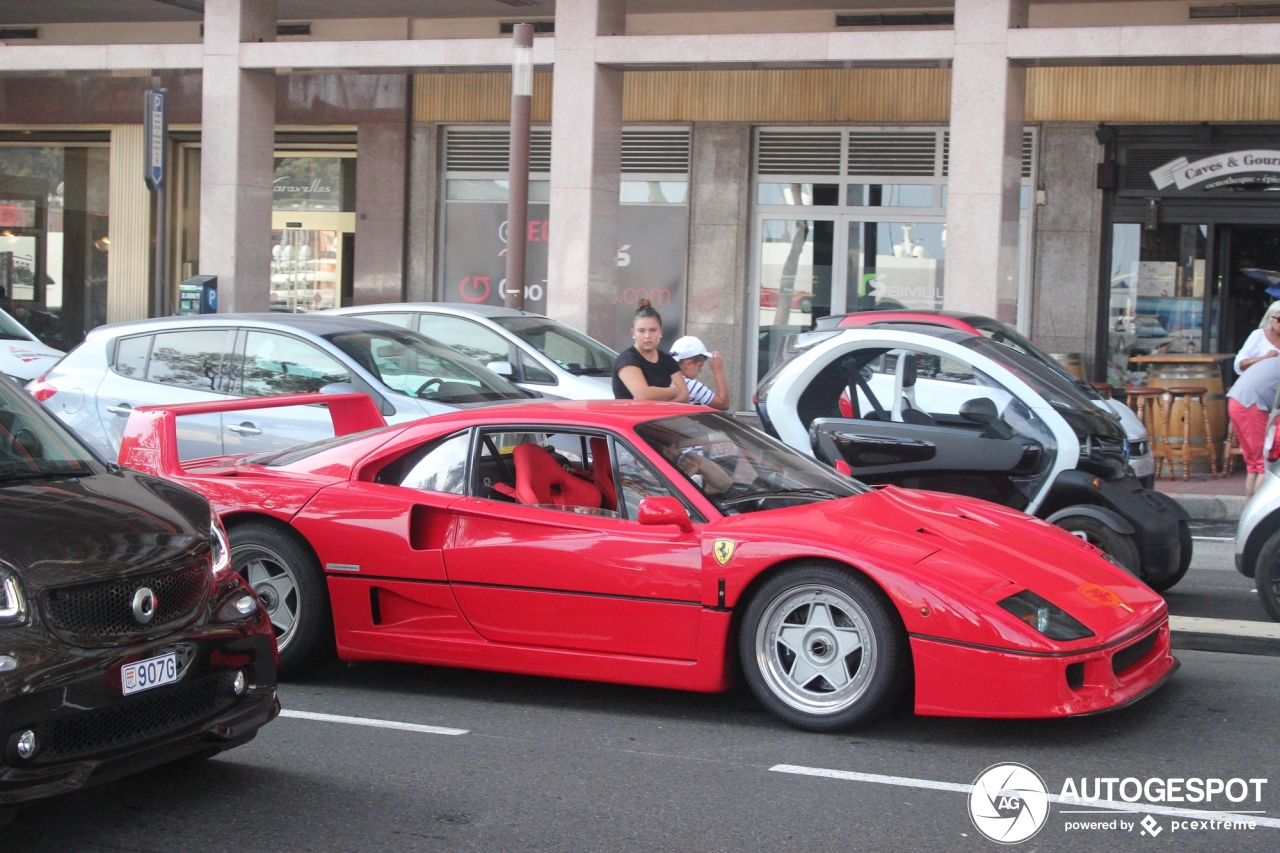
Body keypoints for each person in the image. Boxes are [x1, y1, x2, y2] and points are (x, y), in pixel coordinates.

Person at [612, 299, 690, 402]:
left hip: (667, 418)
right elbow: (644, 395)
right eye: (641, 331)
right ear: (633, 332)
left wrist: (658, 403)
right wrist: (673, 391)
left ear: (661, 331)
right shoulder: (627, 359)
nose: (647, 336)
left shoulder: (667, 360)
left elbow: (685, 397)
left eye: (653, 330)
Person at [1227, 352, 1280, 497]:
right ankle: (1257, 513)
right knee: (1265, 464)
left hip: (1236, 401)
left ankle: (1248, 510)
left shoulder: (1274, 362)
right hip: (1250, 405)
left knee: (1253, 466)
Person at [670, 335, 731, 411]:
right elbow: (723, 404)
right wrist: (718, 373)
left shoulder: (665, 378)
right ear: (689, 364)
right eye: (699, 366)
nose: (699, 371)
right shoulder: (689, 385)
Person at [1233, 301, 1280, 374]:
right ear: (1270, 318)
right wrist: (1264, 358)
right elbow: (1240, 365)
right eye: (1279, 319)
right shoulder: (1259, 335)